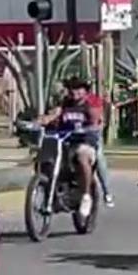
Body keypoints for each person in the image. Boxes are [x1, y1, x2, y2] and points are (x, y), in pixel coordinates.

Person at [38, 77, 104, 218]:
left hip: (85, 142)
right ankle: (50, 192)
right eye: (72, 89)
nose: (75, 92)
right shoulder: (65, 104)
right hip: (64, 142)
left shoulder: (89, 106)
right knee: (45, 160)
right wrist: (40, 121)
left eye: (79, 89)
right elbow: (53, 114)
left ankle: (86, 196)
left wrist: (93, 127)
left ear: (85, 92)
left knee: (82, 156)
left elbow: (97, 121)